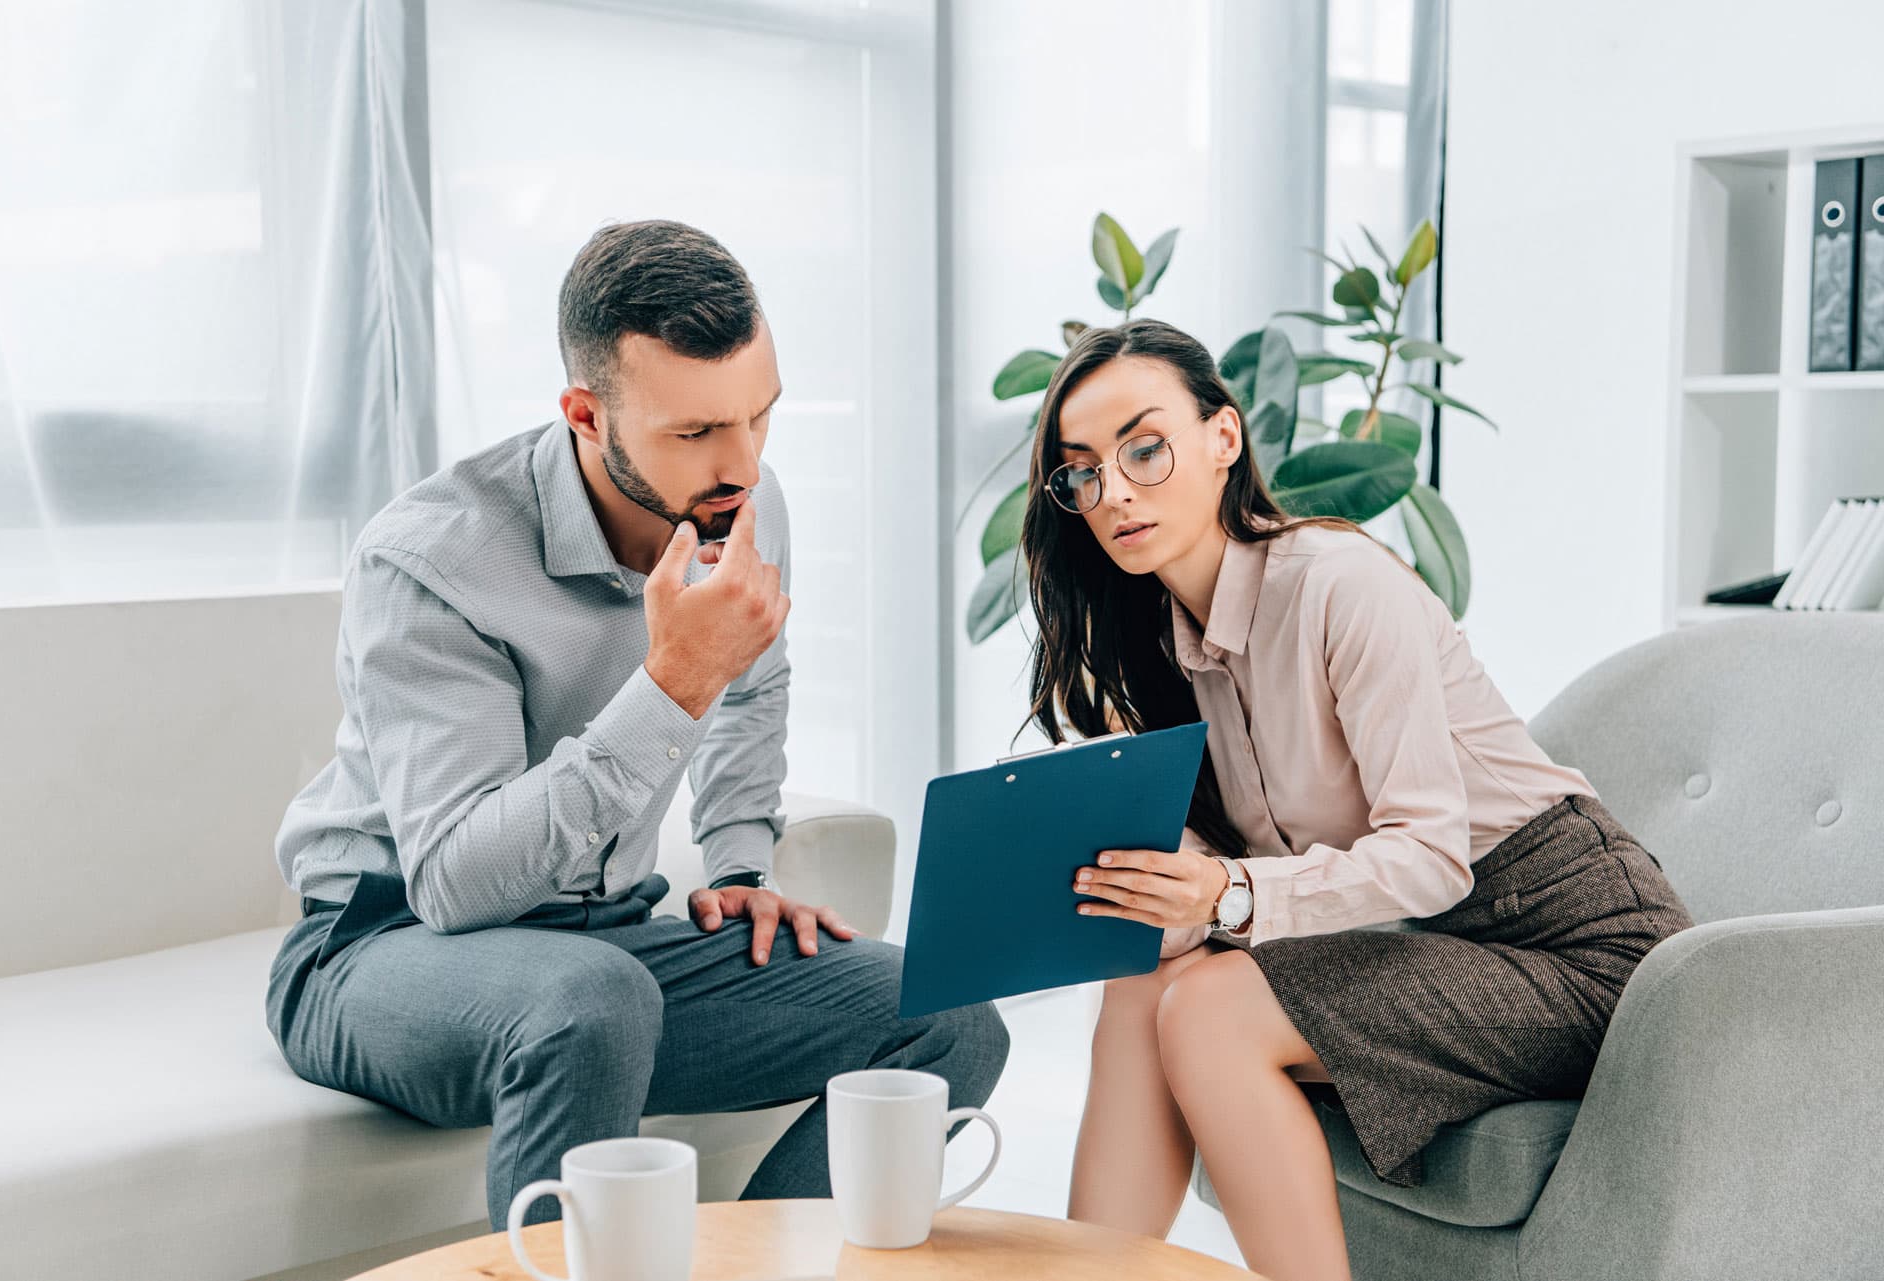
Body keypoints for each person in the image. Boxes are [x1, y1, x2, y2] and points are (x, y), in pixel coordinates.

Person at [265, 219, 1008, 1231]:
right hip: (378, 946)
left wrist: (741, 869)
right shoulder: (431, 562)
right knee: (590, 999)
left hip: (604, 940)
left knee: (948, 1017)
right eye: (696, 433)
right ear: (585, 414)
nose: (742, 464)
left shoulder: (740, 496)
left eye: (759, 416)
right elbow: (452, 882)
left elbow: (752, 687)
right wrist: (671, 682)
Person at [1019, 318, 1691, 1281]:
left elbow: (1427, 857)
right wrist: (1120, 901)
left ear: (1223, 437)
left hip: (1584, 950)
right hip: (1428, 943)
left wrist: (1223, 898)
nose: (1115, 490)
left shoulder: (1339, 585)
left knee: (1210, 1011)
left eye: (1146, 446)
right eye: (1084, 471)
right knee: (1140, 982)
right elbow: (1224, 881)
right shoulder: (1165, 649)